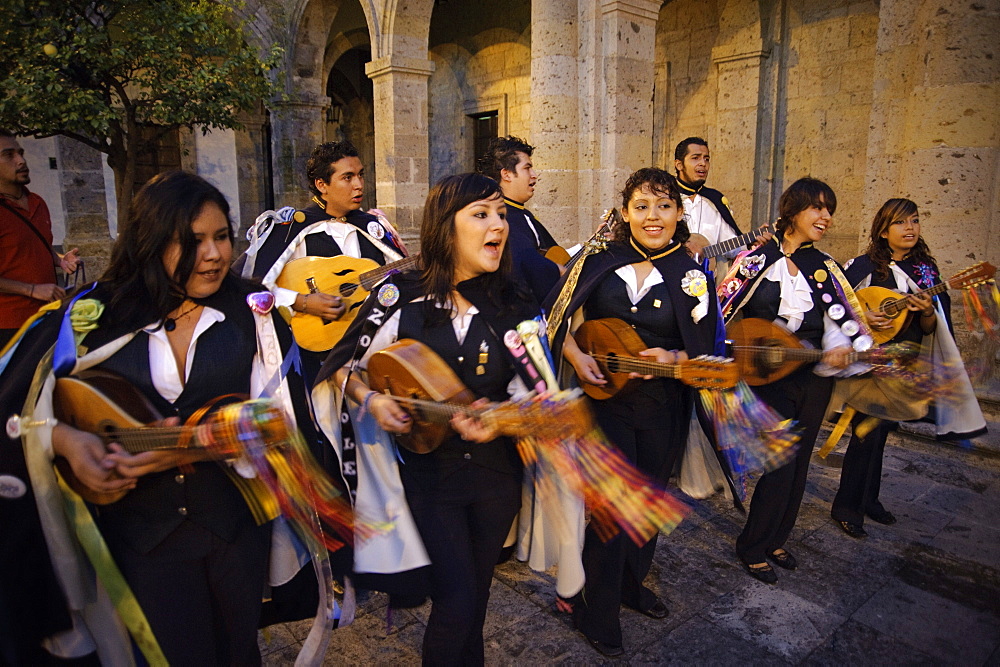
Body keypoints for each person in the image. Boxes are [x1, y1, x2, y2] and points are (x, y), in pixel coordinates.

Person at [1, 171, 327, 664]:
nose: (215, 254)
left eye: (221, 236)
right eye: (192, 241)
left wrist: (215, 439)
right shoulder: (92, 320)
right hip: (140, 539)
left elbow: (285, 416)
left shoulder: (250, 315)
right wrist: (66, 442)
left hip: (234, 530)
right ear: (151, 242)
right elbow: (21, 410)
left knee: (239, 650)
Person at [320, 172, 545, 665]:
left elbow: (540, 399)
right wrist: (372, 400)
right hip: (428, 479)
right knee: (456, 601)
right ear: (447, 227)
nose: (499, 226)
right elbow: (341, 368)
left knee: (476, 597)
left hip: (496, 480)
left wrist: (503, 417)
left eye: (501, 215)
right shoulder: (400, 295)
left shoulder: (516, 302)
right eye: (481, 215)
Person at [544, 167, 723, 656]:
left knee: (647, 503)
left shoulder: (691, 273)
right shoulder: (598, 260)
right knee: (611, 505)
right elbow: (560, 316)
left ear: (679, 213)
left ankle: (629, 585)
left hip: (664, 405)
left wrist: (675, 359)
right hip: (604, 405)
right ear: (625, 213)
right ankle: (595, 610)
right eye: (641, 206)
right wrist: (577, 357)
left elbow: (708, 350)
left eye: (663, 206)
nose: (652, 216)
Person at [718, 177, 868, 584]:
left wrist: (843, 347)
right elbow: (722, 308)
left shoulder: (824, 267)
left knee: (799, 464)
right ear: (794, 209)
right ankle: (753, 545)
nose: (826, 217)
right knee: (780, 462)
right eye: (818, 208)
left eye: (829, 210)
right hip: (766, 377)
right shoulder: (754, 258)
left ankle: (775, 538)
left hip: (812, 377)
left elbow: (847, 322)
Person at [831, 198, 986, 537]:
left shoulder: (926, 271)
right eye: (901, 223)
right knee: (864, 433)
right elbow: (835, 308)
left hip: (905, 364)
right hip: (869, 364)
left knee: (882, 432)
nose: (910, 228)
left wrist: (928, 311)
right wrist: (861, 318)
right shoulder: (860, 266)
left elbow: (934, 329)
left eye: (914, 221)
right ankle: (847, 507)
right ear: (883, 231)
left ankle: (868, 499)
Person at [237, 140, 407, 356]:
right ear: (321, 185)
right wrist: (301, 301)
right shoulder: (292, 230)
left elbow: (400, 280)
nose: (359, 184)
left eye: (360, 175)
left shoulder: (373, 227)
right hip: (313, 355)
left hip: (373, 349)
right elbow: (252, 288)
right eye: (347, 177)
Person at [0, 129, 79, 348]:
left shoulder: (37, 202)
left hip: (47, 317)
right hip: (8, 326)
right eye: (9, 155)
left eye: (20, 153)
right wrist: (32, 290)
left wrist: (61, 260)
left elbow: (35, 246)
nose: (21, 160)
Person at [478, 135, 561, 303]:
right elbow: (527, 264)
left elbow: (552, 253)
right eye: (527, 168)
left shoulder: (521, 213)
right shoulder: (503, 219)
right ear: (507, 174)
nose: (534, 175)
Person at [673, 137, 742, 271]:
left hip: (707, 281)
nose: (703, 163)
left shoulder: (715, 201)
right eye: (695, 158)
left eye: (706, 159)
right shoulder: (665, 199)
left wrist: (752, 242)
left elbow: (733, 248)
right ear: (679, 164)